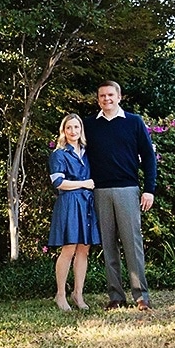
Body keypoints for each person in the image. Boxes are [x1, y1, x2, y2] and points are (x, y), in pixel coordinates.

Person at [83, 81, 157, 311]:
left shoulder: (134, 122)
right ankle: (116, 296)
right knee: (108, 246)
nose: (106, 99)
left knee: (132, 244)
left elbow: (149, 156)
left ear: (119, 97)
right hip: (100, 191)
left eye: (110, 95)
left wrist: (149, 189)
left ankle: (141, 296)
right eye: (102, 96)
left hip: (128, 190)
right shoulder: (89, 125)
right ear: (98, 99)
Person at [47, 113, 99, 311]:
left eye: (76, 127)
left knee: (84, 249)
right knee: (68, 249)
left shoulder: (86, 152)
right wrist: (83, 184)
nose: (73, 131)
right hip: (69, 203)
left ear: (81, 130)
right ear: (63, 130)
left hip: (86, 204)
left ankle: (78, 294)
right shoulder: (59, 154)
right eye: (69, 127)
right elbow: (58, 182)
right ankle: (60, 295)